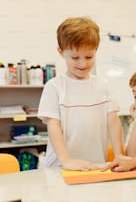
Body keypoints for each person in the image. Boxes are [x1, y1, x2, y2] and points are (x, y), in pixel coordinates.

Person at [38, 17, 123, 171]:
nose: (83, 64)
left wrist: (119, 155)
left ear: (96, 50)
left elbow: (113, 122)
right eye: (75, 58)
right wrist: (67, 160)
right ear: (61, 52)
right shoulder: (54, 87)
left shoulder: (102, 85)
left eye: (89, 57)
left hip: (94, 166)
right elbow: (53, 126)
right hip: (60, 167)